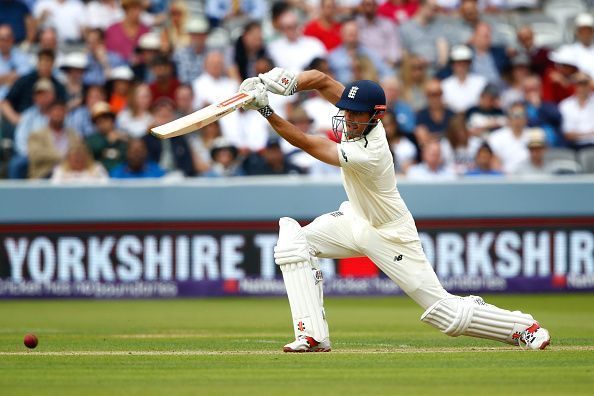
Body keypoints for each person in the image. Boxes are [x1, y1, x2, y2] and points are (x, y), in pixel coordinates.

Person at [237, 66, 551, 352]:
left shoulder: (370, 151)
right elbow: (320, 79)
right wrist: (277, 82)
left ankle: (523, 327)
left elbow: (308, 143)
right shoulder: (357, 119)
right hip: (355, 219)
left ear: (376, 115)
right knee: (294, 242)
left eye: (356, 115)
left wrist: (266, 109)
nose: (348, 118)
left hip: (390, 234)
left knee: (445, 314)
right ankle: (313, 335)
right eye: (347, 111)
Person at [27, 100, 80, 178]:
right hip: (44, 174)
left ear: (66, 113)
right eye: (55, 110)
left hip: (70, 174)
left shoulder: (73, 134)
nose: (58, 113)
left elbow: (79, 153)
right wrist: (63, 156)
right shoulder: (37, 135)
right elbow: (35, 155)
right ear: (48, 113)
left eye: (61, 110)